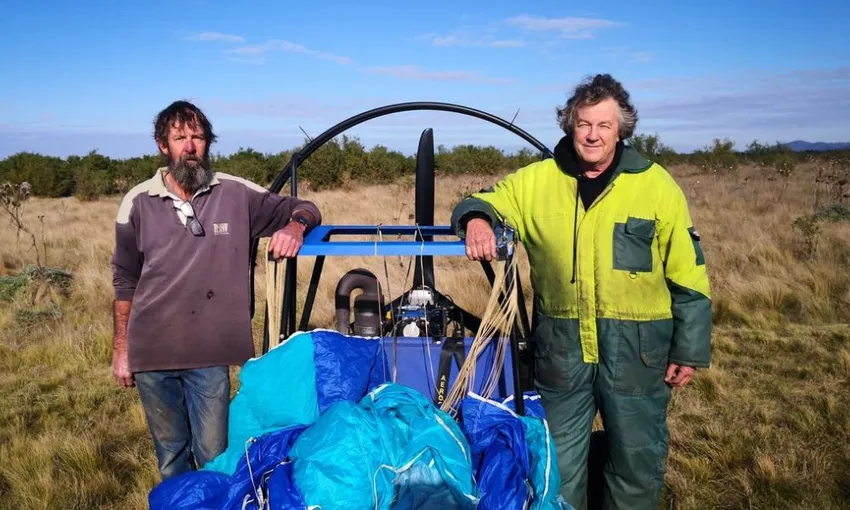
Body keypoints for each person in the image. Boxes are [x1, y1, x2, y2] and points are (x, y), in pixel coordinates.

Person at [451, 74, 711, 509]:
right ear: (570, 125)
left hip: (638, 353)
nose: (592, 135)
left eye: (604, 126)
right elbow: (482, 200)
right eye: (583, 124)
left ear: (621, 129)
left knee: (635, 459)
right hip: (562, 351)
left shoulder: (657, 185)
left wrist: (689, 348)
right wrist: (477, 220)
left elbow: (688, 274)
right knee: (556, 462)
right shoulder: (537, 181)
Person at [110, 100, 322, 480]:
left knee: (214, 455)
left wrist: (295, 228)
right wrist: (122, 350)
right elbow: (125, 279)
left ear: (208, 143)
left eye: (198, 137)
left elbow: (304, 207)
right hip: (152, 351)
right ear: (163, 145)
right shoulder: (137, 202)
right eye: (180, 138)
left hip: (210, 354)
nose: (190, 147)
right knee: (171, 456)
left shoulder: (236, 194)